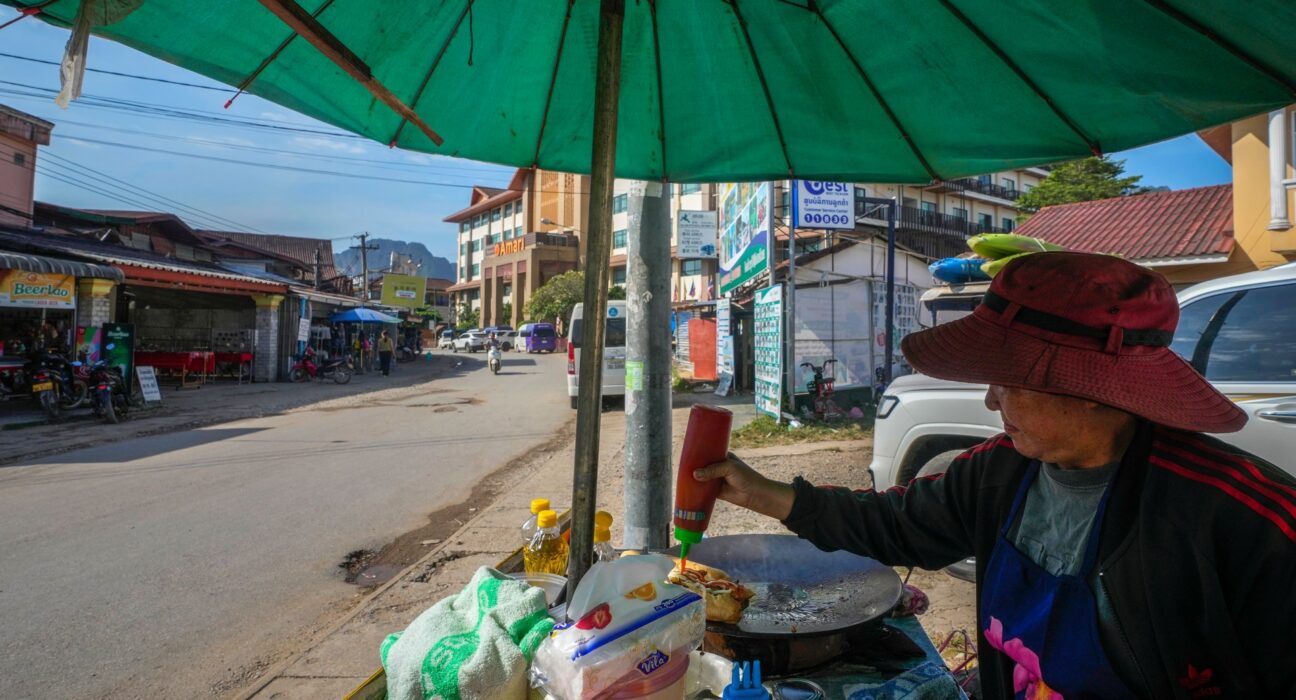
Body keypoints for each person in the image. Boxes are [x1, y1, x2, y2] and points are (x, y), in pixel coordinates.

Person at [696, 252, 1296, 698]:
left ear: (1092, 391)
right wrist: (767, 494)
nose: (990, 401)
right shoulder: (1004, 471)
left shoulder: (1244, 520)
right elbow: (899, 523)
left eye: (1008, 380)